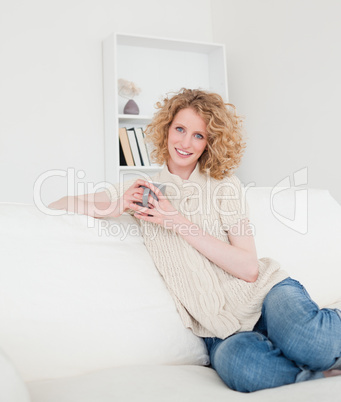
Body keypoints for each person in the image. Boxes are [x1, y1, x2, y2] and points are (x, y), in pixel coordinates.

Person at [49, 88, 341, 392]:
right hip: (220, 331)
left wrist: (176, 221)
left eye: (198, 135)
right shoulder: (141, 192)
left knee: (312, 341)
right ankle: (315, 378)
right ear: (166, 131)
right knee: (244, 368)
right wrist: (117, 204)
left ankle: (319, 348)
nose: (186, 143)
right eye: (180, 129)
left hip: (267, 296)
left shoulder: (224, 186)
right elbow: (59, 202)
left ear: (209, 143)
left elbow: (248, 268)